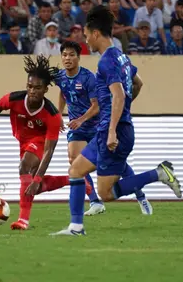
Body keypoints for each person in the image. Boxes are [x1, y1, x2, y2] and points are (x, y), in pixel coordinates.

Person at [48, 5, 182, 236]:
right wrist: (124, 110)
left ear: (96, 33)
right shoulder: (122, 57)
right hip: (111, 128)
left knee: (107, 193)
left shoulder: (106, 61)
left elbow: (119, 94)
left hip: (114, 131)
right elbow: (137, 84)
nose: (86, 40)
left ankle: (159, 173)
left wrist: (112, 129)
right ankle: (76, 227)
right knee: (75, 170)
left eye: (87, 34)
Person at [0, 55, 91, 231]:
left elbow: (49, 151)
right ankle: (73, 180)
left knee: (24, 169)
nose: (32, 91)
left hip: (39, 141)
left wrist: (37, 177)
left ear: (45, 89)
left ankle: (23, 220)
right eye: (30, 86)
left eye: (37, 88)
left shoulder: (51, 114)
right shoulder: (14, 99)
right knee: (32, 188)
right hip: (22, 140)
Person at [56, 40, 153, 216]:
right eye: (64, 55)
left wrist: (81, 119)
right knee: (74, 160)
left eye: (71, 55)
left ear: (79, 58)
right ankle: (94, 201)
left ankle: (140, 194)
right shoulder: (61, 77)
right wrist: (58, 114)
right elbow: (63, 93)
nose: (67, 58)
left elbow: (97, 105)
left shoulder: (89, 78)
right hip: (78, 128)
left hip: (96, 124)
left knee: (119, 165)